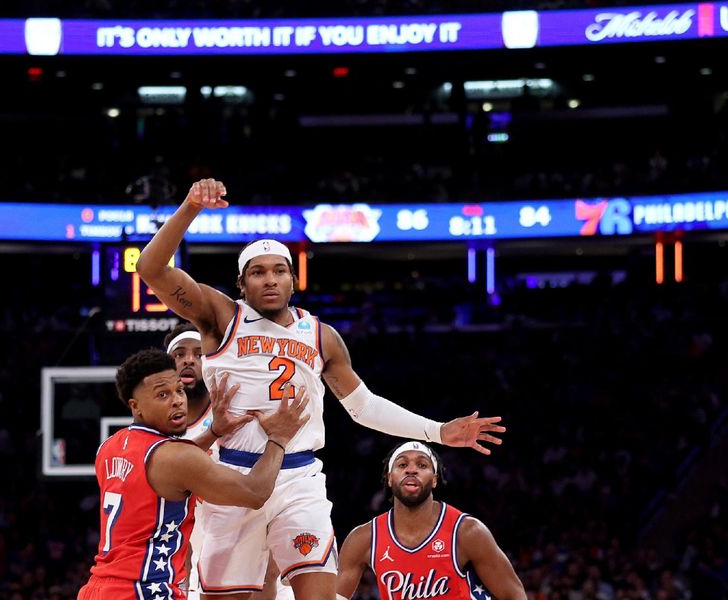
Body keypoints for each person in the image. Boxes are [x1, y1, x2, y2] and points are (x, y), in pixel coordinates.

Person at [136, 178, 506, 600]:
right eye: (257, 273)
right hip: (233, 476)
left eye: (279, 271)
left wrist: (439, 431)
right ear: (241, 285)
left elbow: (363, 405)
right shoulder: (221, 316)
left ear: (294, 280)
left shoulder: (321, 335)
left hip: (300, 477)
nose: (269, 280)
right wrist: (190, 207)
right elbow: (150, 269)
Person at [77, 348, 309, 600]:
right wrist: (279, 438)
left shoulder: (109, 448)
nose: (177, 400)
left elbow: (169, 469)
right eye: (162, 395)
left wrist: (213, 432)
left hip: (97, 588)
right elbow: (255, 492)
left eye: (179, 390)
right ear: (136, 407)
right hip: (144, 590)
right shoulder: (176, 458)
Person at [164, 324, 293, 600]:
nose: (189, 360)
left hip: (245, 529)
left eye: (199, 354)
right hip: (193, 541)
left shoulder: (238, 407)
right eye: (179, 354)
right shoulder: (157, 428)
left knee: (266, 577)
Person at [336, 441, 527, 600]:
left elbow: (515, 595)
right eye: (402, 465)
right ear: (390, 478)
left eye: (422, 465)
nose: (411, 470)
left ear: (434, 479)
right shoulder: (364, 538)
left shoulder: (467, 531)